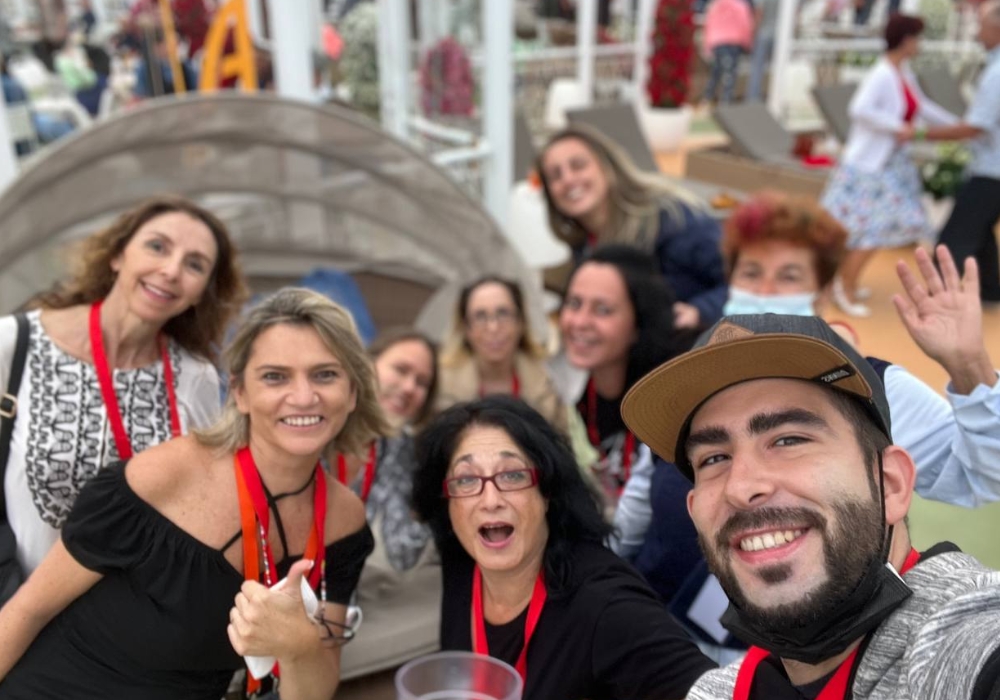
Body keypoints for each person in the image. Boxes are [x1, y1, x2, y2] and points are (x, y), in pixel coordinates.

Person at [629, 191, 1000, 662]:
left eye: (789, 276)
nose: (766, 289)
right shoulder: (690, 380)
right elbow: (642, 489)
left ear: (821, 290)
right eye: (752, 273)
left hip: (795, 659)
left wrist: (969, 364)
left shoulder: (867, 384)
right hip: (667, 629)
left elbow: (983, 473)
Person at [0, 288, 383, 699]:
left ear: (353, 392)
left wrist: (300, 646)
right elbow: (28, 610)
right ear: (239, 393)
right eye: (275, 376)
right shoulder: (159, 480)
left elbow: (311, 692)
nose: (304, 397)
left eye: (325, 375)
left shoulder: (343, 520)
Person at [621, 313, 1000, 699]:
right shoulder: (717, 691)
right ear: (694, 511)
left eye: (789, 440)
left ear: (891, 484)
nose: (741, 488)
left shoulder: (967, 641)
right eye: (714, 458)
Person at [0, 196, 247, 576]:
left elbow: (204, 507)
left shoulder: (196, 378)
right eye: (157, 246)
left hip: (135, 607)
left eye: (194, 264)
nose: (171, 270)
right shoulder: (13, 343)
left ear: (201, 292)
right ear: (117, 255)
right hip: (15, 601)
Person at [411, 396, 717, 700]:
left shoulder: (605, 606)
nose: (490, 500)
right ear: (446, 501)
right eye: (466, 479)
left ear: (546, 492)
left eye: (513, 475)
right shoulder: (462, 560)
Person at [820, 13, 959, 317]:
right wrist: (898, 127)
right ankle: (844, 287)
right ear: (906, 40)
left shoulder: (902, 71)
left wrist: (958, 126)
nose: (920, 44)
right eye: (917, 38)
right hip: (870, 166)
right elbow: (860, 109)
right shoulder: (882, 73)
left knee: (870, 228)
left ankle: (845, 283)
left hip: (890, 164)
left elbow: (921, 106)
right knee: (870, 229)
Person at [552, 245, 699, 526]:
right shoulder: (580, 396)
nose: (580, 322)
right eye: (574, 304)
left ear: (639, 322)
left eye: (602, 310)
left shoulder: (674, 399)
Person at [538, 124, 728, 328]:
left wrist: (699, 311)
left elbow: (741, 285)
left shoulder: (672, 219)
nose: (567, 179)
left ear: (607, 166)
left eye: (578, 166)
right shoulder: (583, 244)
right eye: (555, 175)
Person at [336, 328, 442, 678]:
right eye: (401, 370)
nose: (410, 387)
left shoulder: (394, 446)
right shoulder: (319, 422)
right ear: (367, 364)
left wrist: (445, 496)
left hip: (332, 590)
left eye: (422, 382)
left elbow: (403, 552)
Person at [918, 0, 1000, 306]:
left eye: (981, 25)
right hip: (991, 166)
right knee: (980, 230)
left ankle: (936, 303)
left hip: (992, 169)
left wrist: (918, 133)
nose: (977, 32)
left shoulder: (997, 73)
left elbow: (975, 127)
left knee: (954, 239)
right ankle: (990, 291)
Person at [437, 277, 567, 434]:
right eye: (480, 316)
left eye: (503, 313)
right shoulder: (439, 388)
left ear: (521, 322)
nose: (493, 327)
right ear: (466, 328)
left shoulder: (552, 382)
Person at [700, 0, 754, 105]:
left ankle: (708, 98)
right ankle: (726, 100)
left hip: (717, 42)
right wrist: (748, 44)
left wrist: (707, 47)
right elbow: (746, 25)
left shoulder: (714, 6)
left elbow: (708, 26)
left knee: (715, 71)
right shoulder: (740, 7)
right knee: (729, 73)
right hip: (734, 42)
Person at [746, 0, 779, 102]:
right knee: (779, 67)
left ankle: (753, 97)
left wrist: (753, 33)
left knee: (757, 67)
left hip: (764, 33)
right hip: (780, 35)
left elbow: (759, 13)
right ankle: (776, 95)